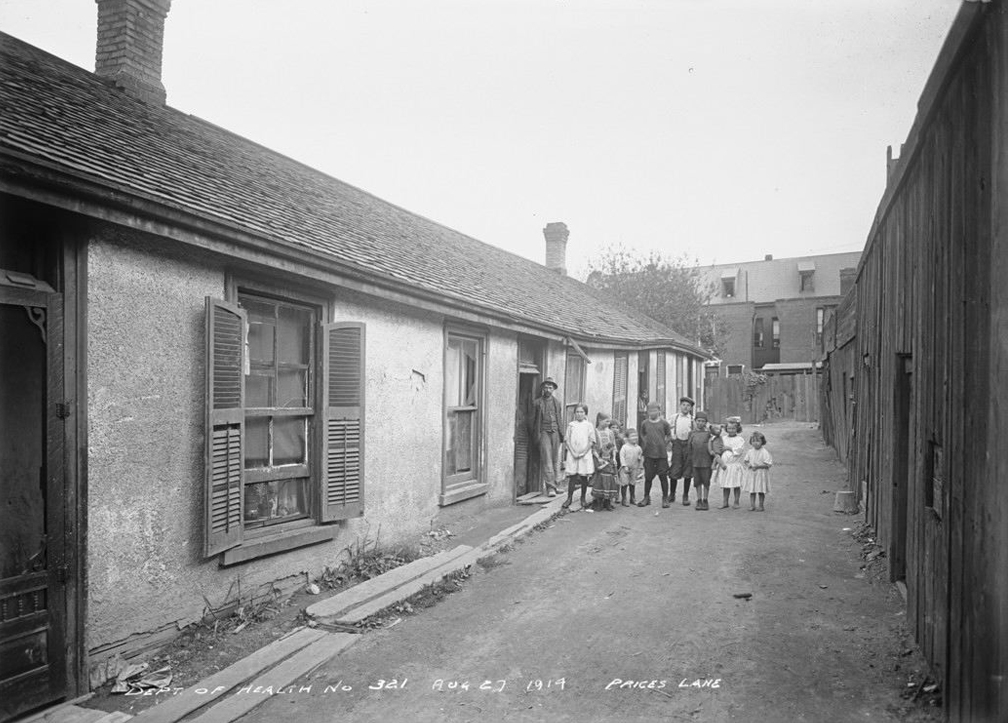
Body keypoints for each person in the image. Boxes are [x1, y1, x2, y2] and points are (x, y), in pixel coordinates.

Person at [531, 377, 564, 497]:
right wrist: (537, 435)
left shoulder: (557, 403)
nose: (548, 389)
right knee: (547, 460)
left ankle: (557, 484)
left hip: (555, 432)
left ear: (554, 389)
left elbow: (559, 419)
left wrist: (561, 434)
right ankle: (550, 488)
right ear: (542, 388)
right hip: (544, 432)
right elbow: (532, 422)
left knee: (556, 460)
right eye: (546, 387)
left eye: (550, 387)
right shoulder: (537, 403)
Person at [637, 401, 672, 507]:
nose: (652, 413)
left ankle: (665, 498)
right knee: (648, 477)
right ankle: (646, 497)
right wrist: (646, 444)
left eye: (655, 410)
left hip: (661, 455)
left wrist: (663, 444)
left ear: (659, 411)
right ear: (647, 412)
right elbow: (642, 435)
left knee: (663, 477)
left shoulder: (664, 423)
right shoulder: (644, 424)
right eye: (650, 410)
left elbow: (669, 435)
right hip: (649, 454)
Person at [561, 404, 596, 510]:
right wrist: (573, 452)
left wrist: (583, 453)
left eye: (582, 412)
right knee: (572, 477)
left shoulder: (588, 425)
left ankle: (583, 498)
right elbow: (566, 440)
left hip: (584, 455)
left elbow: (591, 441)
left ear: (585, 413)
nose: (579, 414)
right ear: (574, 413)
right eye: (577, 412)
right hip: (573, 454)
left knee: (584, 477)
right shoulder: (571, 425)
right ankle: (569, 498)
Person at [667, 396, 695, 506]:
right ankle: (672, 494)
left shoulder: (692, 419)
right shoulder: (674, 417)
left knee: (688, 470)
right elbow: (666, 428)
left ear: (690, 408)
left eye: (688, 406)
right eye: (683, 405)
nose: (685, 407)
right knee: (675, 468)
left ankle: (685, 495)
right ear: (680, 406)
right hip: (677, 445)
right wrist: (670, 438)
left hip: (688, 446)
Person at [686, 411, 715, 511]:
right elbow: (689, 447)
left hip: (706, 462)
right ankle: (699, 500)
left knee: (706, 481)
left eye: (703, 421)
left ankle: (705, 500)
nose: (700, 423)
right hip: (695, 461)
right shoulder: (692, 433)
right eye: (698, 421)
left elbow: (713, 447)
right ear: (695, 421)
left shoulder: (708, 434)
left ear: (706, 422)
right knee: (697, 481)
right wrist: (689, 460)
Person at [591, 413, 619, 511]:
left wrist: (614, 458)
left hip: (609, 460)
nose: (608, 423)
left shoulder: (610, 433)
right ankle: (598, 501)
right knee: (599, 480)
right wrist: (598, 458)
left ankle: (607, 501)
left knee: (609, 480)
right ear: (599, 421)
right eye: (606, 421)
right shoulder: (595, 432)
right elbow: (593, 447)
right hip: (599, 459)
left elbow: (614, 446)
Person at [718, 417, 746, 509]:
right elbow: (719, 448)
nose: (731, 430)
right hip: (726, 465)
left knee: (736, 484)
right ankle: (725, 501)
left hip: (734, 465)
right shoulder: (723, 438)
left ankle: (736, 501)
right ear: (726, 429)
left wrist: (729, 448)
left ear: (737, 429)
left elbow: (739, 450)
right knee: (726, 484)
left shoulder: (739, 439)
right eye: (729, 428)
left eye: (733, 428)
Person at [742, 431, 773, 511]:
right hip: (752, 474)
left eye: (758, 441)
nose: (755, 443)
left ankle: (761, 505)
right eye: (753, 441)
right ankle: (752, 505)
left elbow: (768, 464)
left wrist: (758, 466)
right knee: (752, 490)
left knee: (760, 490)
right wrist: (748, 464)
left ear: (762, 442)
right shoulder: (750, 451)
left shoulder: (764, 452)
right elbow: (745, 461)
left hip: (761, 474)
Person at [618, 428, 644, 507]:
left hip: (634, 468)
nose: (634, 438)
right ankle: (624, 499)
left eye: (636, 436)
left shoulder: (638, 448)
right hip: (625, 468)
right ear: (627, 438)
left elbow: (640, 458)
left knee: (633, 483)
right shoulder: (624, 447)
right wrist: (624, 465)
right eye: (632, 436)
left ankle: (632, 498)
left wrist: (640, 467)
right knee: (624, 484)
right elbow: (621, 457)